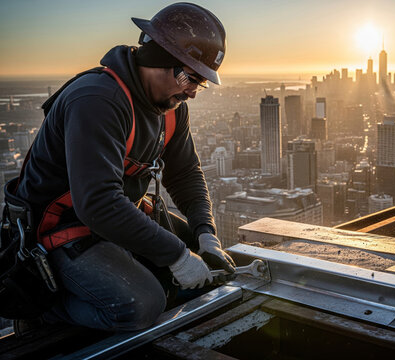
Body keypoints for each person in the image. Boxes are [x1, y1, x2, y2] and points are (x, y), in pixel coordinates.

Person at [12, 3, 235, 333]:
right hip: (60, 229)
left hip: (112, 219)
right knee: (140, 305)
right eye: (190, 77)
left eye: (200, 82)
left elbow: (185, 173)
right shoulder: (97, 100)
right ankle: (45, 309)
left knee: (216, 269)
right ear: (158, 58)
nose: (193, 91)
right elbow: (97, 203)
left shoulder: (171, 108)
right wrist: (177, 256)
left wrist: (206, 234)